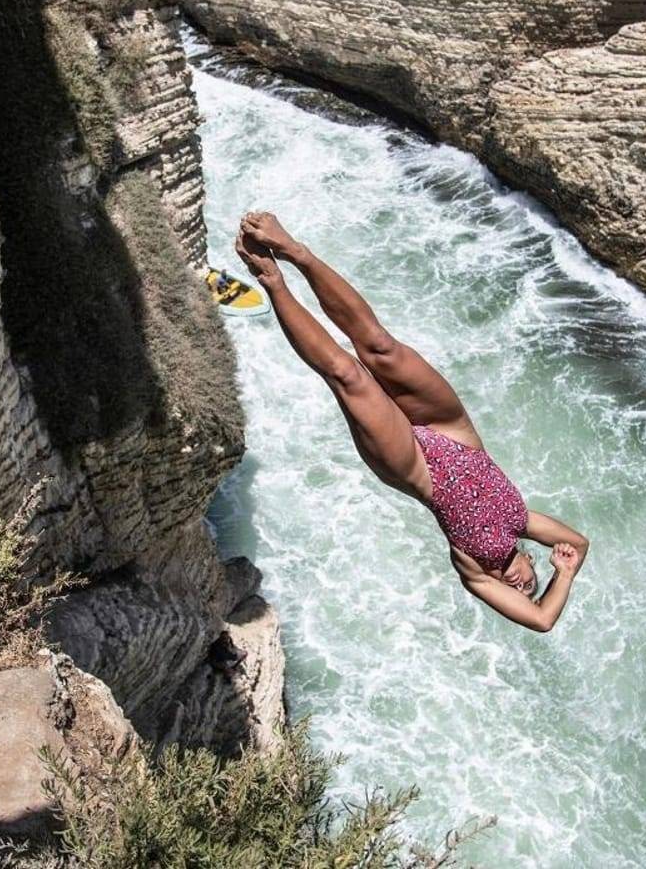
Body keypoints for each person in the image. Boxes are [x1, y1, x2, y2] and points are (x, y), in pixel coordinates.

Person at [234, 212, 589, 632]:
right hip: (455, 433)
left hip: (415, 468)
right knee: (380, 345)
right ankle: (296, 252)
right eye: (530, 586)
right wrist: (569, 562)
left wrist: (562, 577)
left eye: (514, 594)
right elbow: (579, 544)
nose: (519, 587)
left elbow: (543, 620)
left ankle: (272, 280)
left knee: (348, 375)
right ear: (532, 559)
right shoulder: (523, 522)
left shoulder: (475, 572)